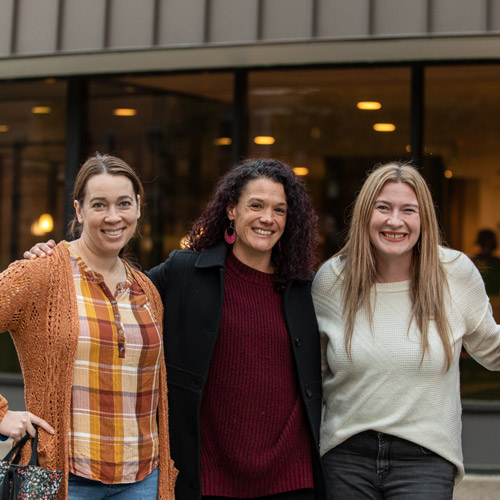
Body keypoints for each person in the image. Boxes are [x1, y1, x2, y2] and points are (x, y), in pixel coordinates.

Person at [24, 158, 326, 500]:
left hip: (290, 477)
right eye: (255, 205)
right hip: (207, 475)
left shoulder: (306, 288)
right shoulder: (185, 273)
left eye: (279, 210)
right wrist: (57, 260)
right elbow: (113, 303)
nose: (267, 218)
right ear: (232, 210)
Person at [312, 161, 500, 500]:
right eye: (382, 207)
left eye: (408, 210)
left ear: (424, 218)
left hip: (425, 460)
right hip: (345, 458)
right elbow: (311, 375)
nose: (394, 221)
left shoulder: (454, 274)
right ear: (365, 215)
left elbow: (491, 349)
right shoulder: (331, 281)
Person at [1, 153, 177, 500]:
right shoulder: (40, 274)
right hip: (65, 477)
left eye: (123, 203)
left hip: (143, 479)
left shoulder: (146, 290)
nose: (113, 217)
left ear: (138, 207)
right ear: (79, 211)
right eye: (99, 205)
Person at [473, 228, 500, 297]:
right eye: (485, 244)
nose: (487, 248)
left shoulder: (496, 263)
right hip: (478, 299)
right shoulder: (474, 262)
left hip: (494, 300)